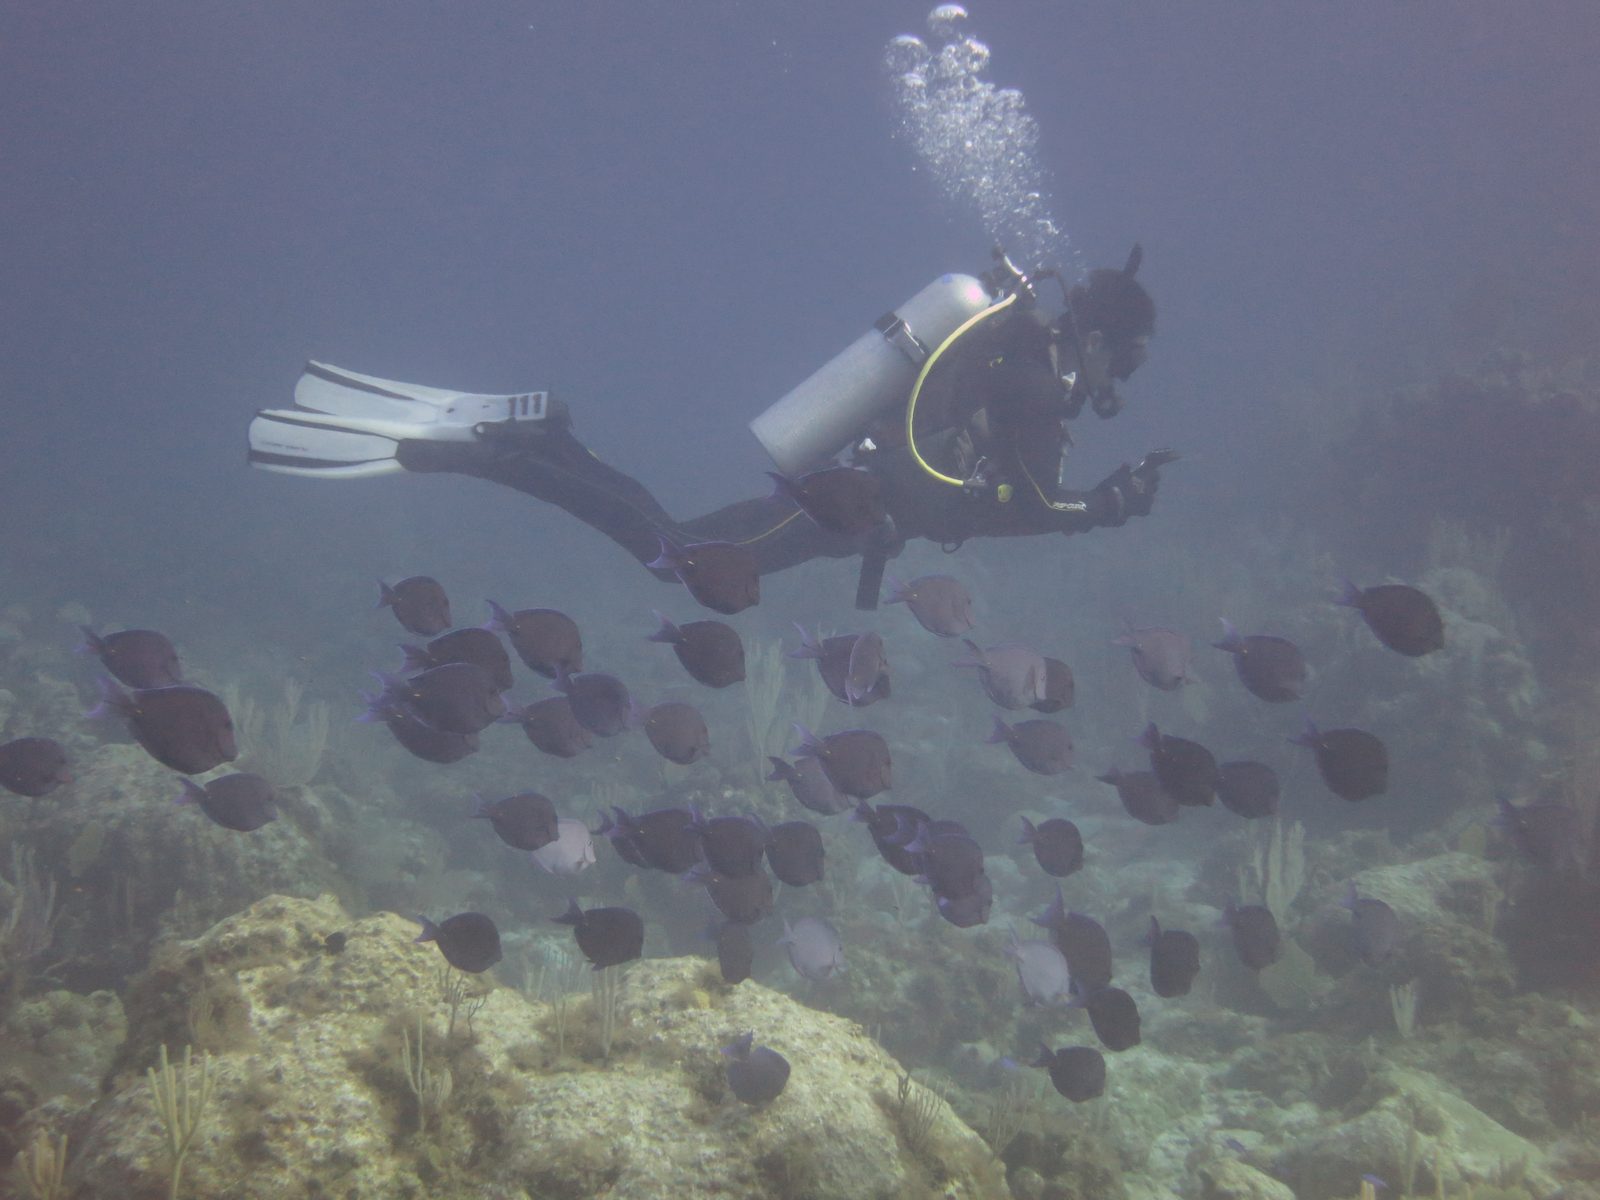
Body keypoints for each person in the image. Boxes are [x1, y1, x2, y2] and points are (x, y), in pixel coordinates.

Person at [247, 247, 1174, 608]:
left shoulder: (1010, 351)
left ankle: (543, 441)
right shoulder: (1034, 384)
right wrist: (1106, 508)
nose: (1118, 381)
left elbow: (985, 485)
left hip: (847, 491)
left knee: (675, 539)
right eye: (1124, 361)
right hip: (848, 505)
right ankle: (484, 456)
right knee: (675, 559)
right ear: (1100, 338)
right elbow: (1030, 504)